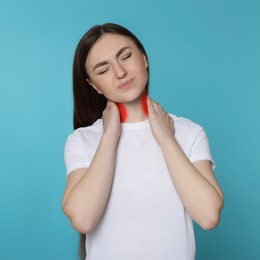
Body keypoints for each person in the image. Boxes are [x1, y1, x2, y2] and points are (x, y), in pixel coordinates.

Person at [62, 23, 224, 260]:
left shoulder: (189, 133)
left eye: (125, 57)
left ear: (144, 58)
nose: (120, 73)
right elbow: (83, 218)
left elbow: (209, 216)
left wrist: (167, 139)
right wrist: (109, 136)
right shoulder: (83, 140)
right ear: (93, 85)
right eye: (103, 70)